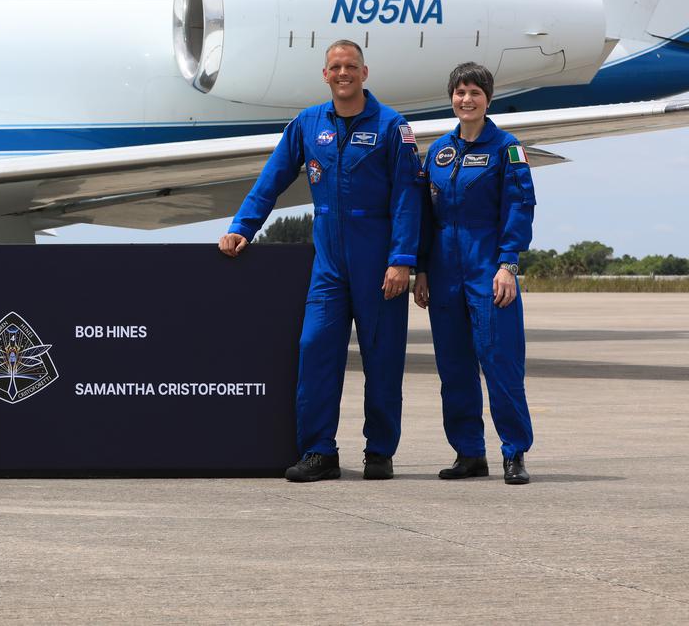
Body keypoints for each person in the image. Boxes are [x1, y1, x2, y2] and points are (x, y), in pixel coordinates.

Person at [219, 40, 423, 482]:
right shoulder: (307, 124)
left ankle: (379, 452)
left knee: (382, 361)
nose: (343, 73)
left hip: (379, 263)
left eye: (351, 66)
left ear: (365, 74)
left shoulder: (393, 127)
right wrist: (242, 227)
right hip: (329, 267)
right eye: (336, 67)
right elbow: (272, 177)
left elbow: (409, 197)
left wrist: (403, 259)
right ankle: (318, 452)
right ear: (325, 74)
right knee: (315, 352)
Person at [414, 62, 535, 484]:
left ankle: (514, 452)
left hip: (489, 268)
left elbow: (519, 207)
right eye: (460, 92)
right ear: (452, 98)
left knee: (500, 363)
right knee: (454, 368)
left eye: (475, 92)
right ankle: (469, 452)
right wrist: (423, 269)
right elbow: (426, 218)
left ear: (488, 98)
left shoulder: (507, 148)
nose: (466, 100)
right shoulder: (439, 154)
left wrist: (507, 264)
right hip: (444, 272)